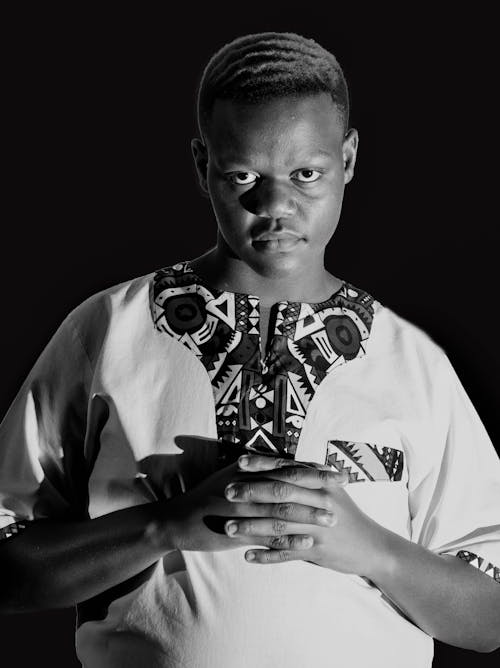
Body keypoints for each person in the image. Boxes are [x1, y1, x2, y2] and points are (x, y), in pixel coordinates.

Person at [0, 32, 499, 668]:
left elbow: (490, 616)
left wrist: (368, 547)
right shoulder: (108, 331)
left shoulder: (411, 363)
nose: (276, 205)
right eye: (243, 175)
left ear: (348, 158)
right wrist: (170, 524)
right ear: (199, 161)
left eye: (307, 173)